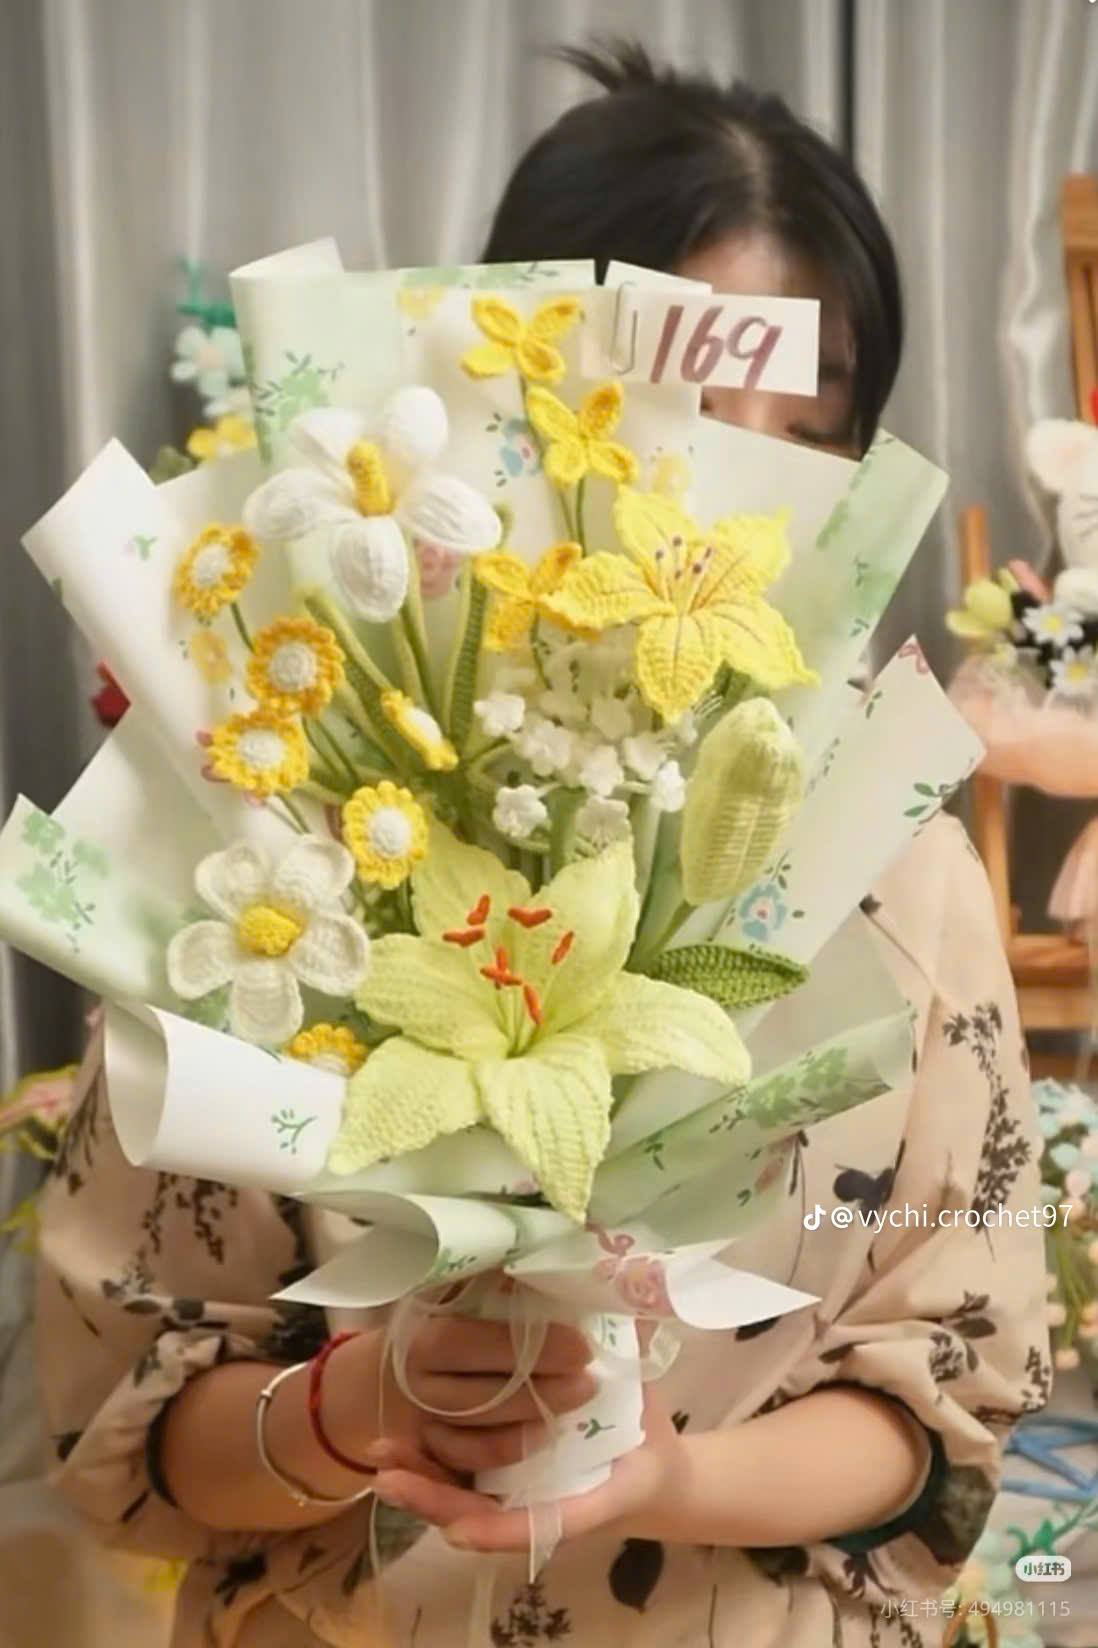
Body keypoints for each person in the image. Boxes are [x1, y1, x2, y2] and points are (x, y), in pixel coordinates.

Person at [35, 41, 1049, 1648]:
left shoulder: (892, 850)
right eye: (683, 416)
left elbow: (943, 1401)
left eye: (811, 434)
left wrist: (660, 1479)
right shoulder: (279, 835)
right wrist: (354, 1408)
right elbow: (123, 1427)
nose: (739, 502)